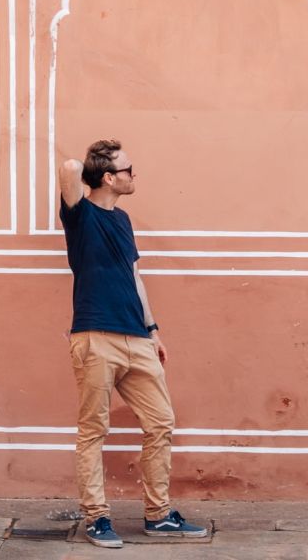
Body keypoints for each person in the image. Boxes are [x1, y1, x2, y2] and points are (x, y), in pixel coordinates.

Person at [59, 139, 207, 549]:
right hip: (95, 336)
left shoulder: (123, 221)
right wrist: (95, 155)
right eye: (128, 169)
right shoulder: (80, 216)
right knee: (94, 430)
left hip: (137, 337)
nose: (133, 175)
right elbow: (70, 167)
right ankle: (97, 517)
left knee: (161, 423)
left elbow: (135, 276)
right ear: (108, 177)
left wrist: (153, 329)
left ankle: (158, 515)